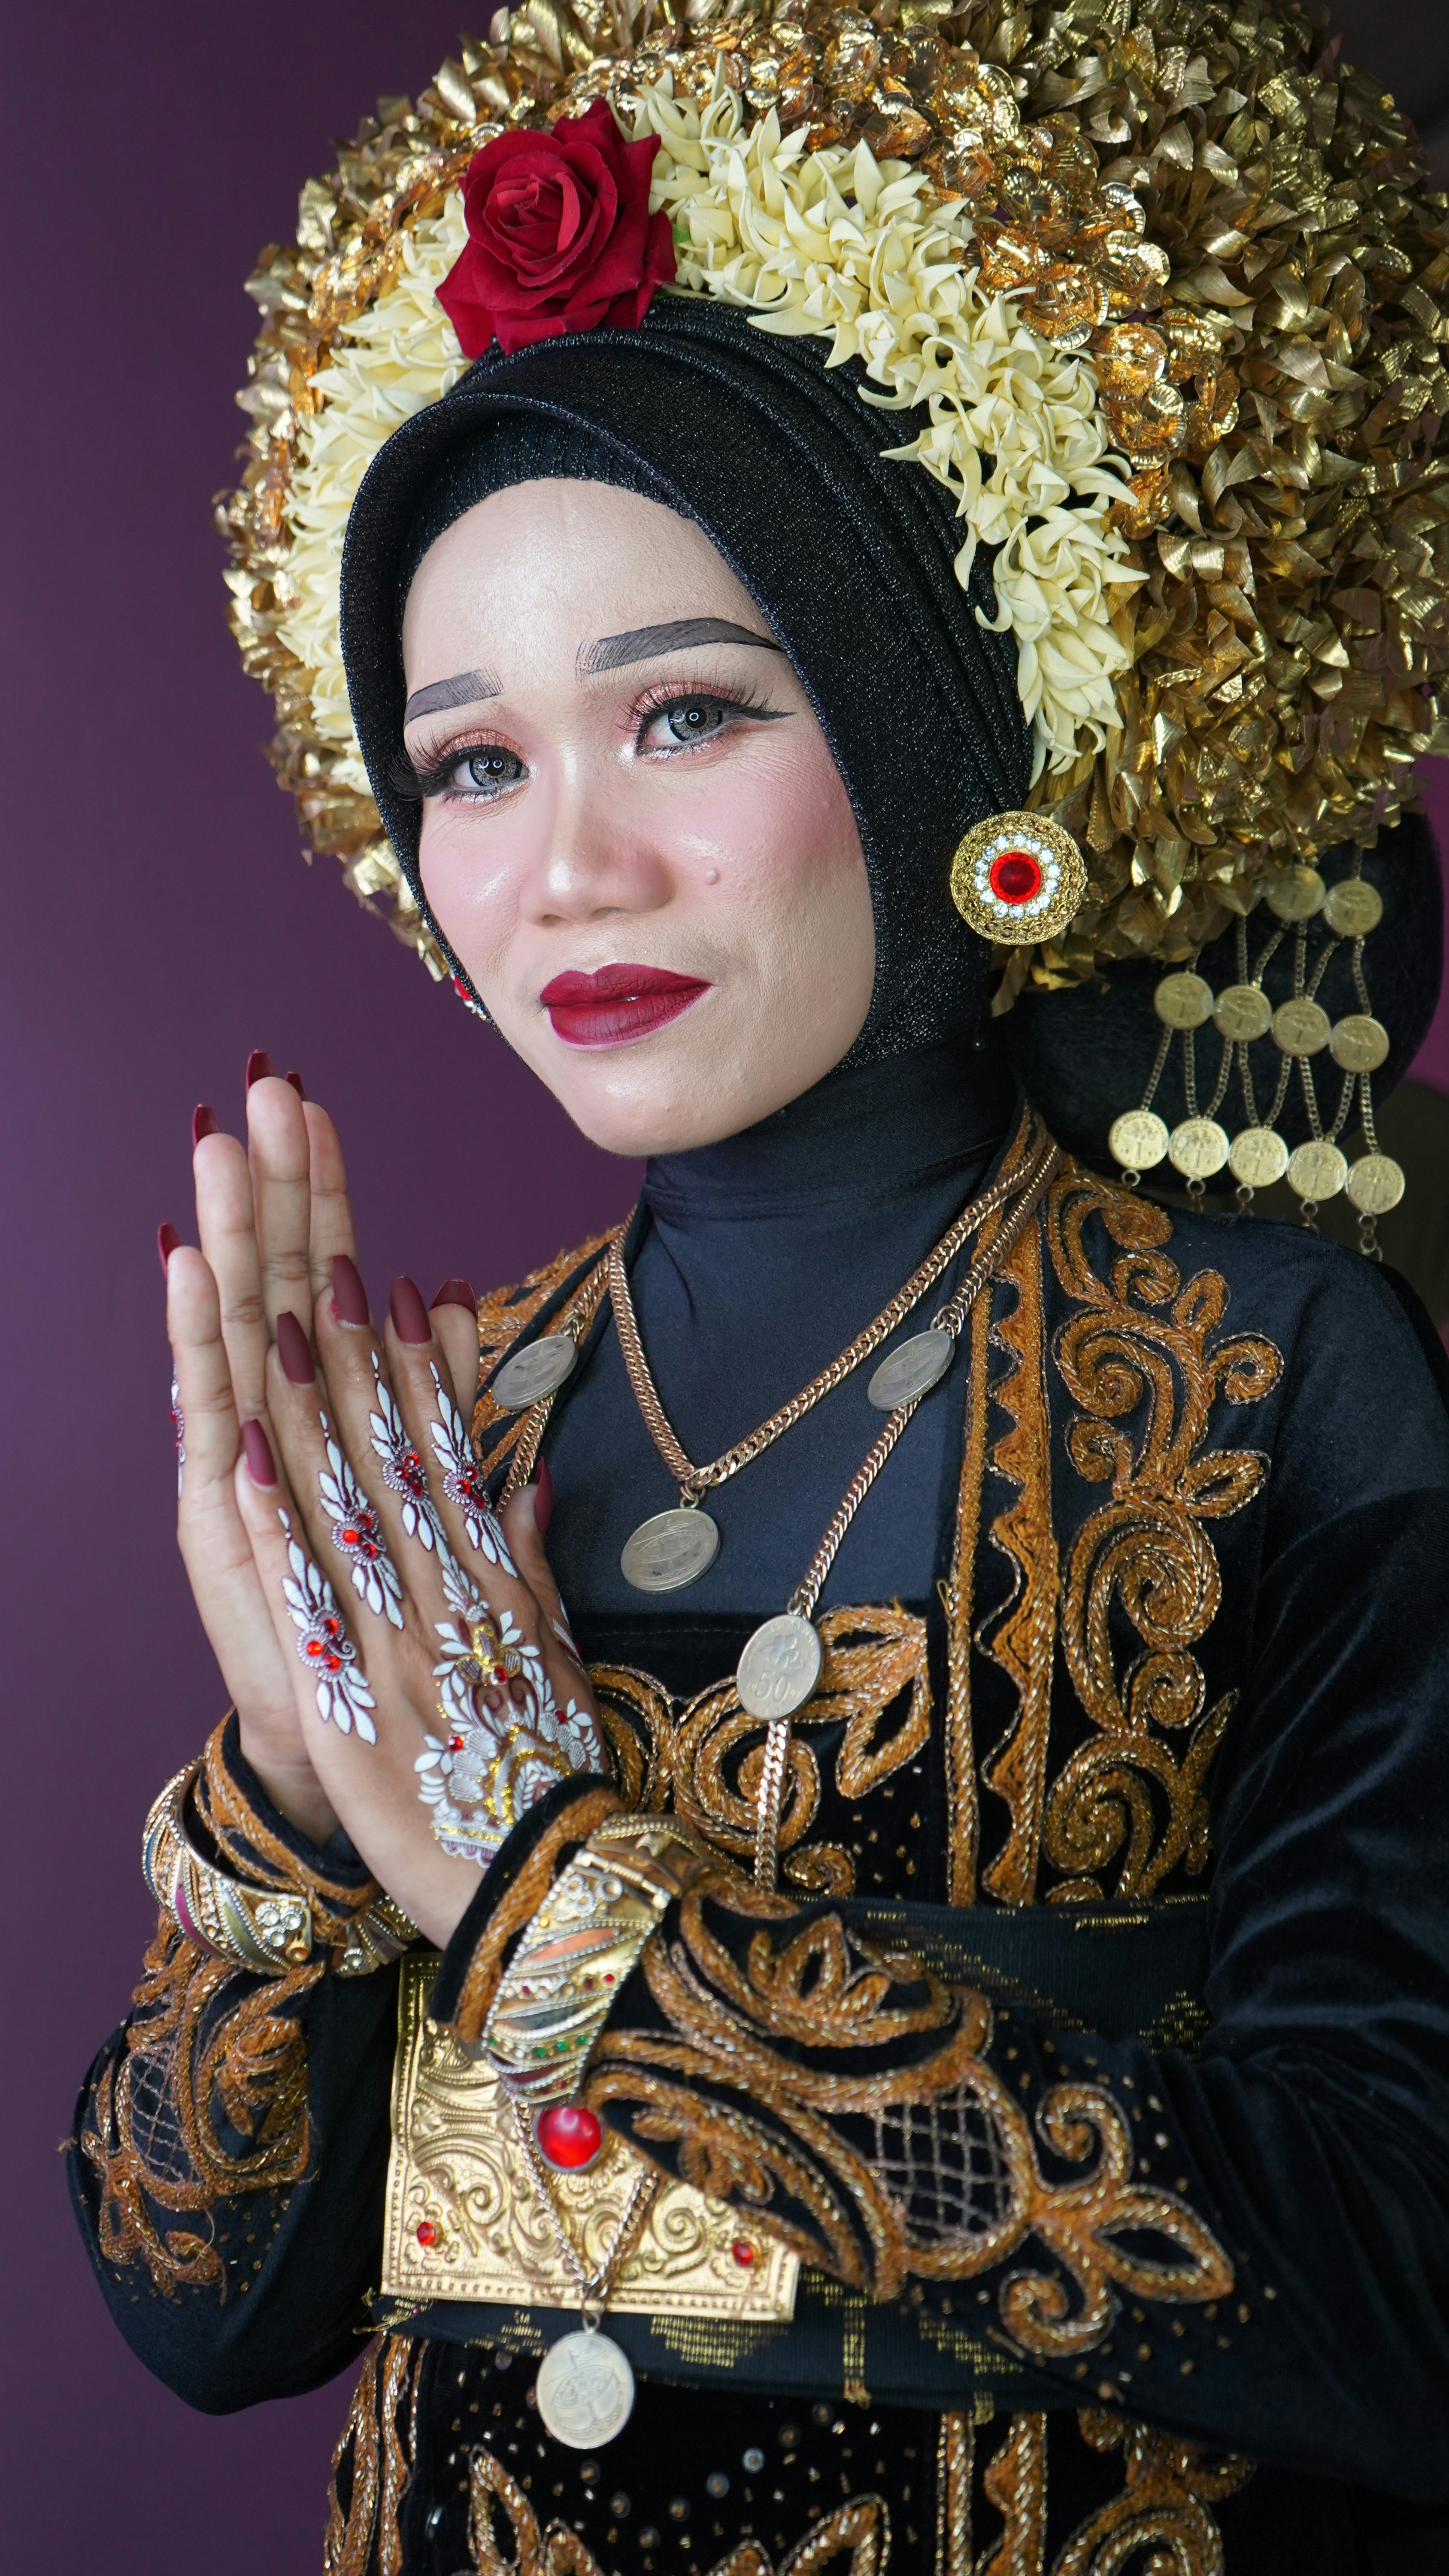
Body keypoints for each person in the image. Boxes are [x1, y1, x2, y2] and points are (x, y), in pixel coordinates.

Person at [68, 6, 1449, 2570]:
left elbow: (1403, 2284)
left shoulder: (1273, 1380)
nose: (562, 870)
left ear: (938, 747)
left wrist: (543, 1888)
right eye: (469, 761)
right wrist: (283, 1791)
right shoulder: (440, 1423)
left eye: (683, 714)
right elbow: (204, 2314)